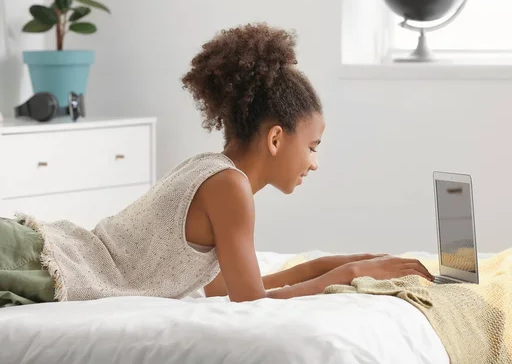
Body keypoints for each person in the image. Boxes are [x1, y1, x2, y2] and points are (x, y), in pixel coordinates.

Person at [0, 23, 433, 307]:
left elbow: (221, 286)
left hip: (37, 254)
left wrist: (332, 265)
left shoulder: (213, 169)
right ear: (277, 138)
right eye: (313, 146)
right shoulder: (230, 188)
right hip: (36, 261)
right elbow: (251, 303)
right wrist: (353, 273)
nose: (315, 163)